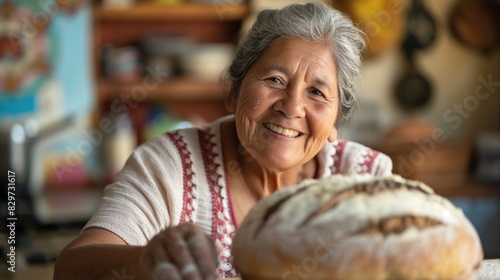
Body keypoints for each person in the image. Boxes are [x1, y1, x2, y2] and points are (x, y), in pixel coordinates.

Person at [54, 2, 392, 279]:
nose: (292, 108)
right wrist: (144, 262)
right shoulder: (169, 165)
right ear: (232, 92)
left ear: (335, 121)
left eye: (316, 92)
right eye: (275, 79)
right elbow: (70, 269)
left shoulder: (365, 178)